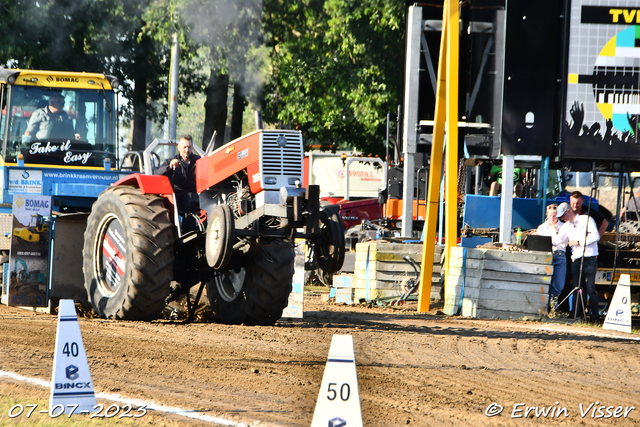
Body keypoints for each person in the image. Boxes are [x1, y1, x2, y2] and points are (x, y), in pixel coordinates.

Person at [556, 202, 601, 323]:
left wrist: (579, 242)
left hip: (590, 258)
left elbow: (596, 236)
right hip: (576, 259)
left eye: (563, 215)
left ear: (569, 211)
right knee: (577, 288)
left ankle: (595, 316)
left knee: (590, 288)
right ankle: (576, 314)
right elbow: (558, 240)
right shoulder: (566, 226)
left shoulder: (586, 220)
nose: (562, 218)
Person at [530, 204, 567, 310]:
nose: (552, 218)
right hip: (545, 256)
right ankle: (549, 307)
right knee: (545, 282)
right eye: (550, 216)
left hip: (559, 255)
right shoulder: (541, 228)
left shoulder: (563, 227)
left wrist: (553, 227)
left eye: (554, 216)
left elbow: (560, 243)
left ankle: (552, 304)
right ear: (547, 215)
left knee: (559, 284)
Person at [154, 135, 200, 214]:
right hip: (178, 195)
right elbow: (157, 173)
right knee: (188, 198)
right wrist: (169, 167)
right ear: (179, 147)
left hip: (197, 193)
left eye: (189, 147)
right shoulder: (171, 161)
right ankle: (188, 226)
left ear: (192, 147)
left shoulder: (198, 161)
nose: (187, 150)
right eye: (184, 147)